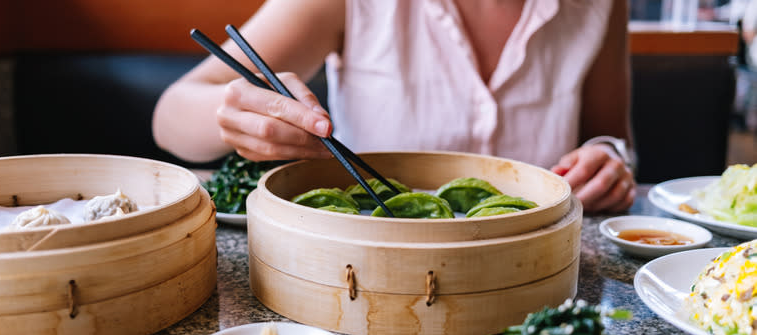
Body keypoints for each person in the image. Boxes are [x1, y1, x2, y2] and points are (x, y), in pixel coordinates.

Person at [153, 0, 636, 212]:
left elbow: (610, 137)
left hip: (538, 266)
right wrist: (235, 113)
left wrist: (608, 161)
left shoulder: (597, 4)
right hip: (368, 267)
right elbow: (171, 114)